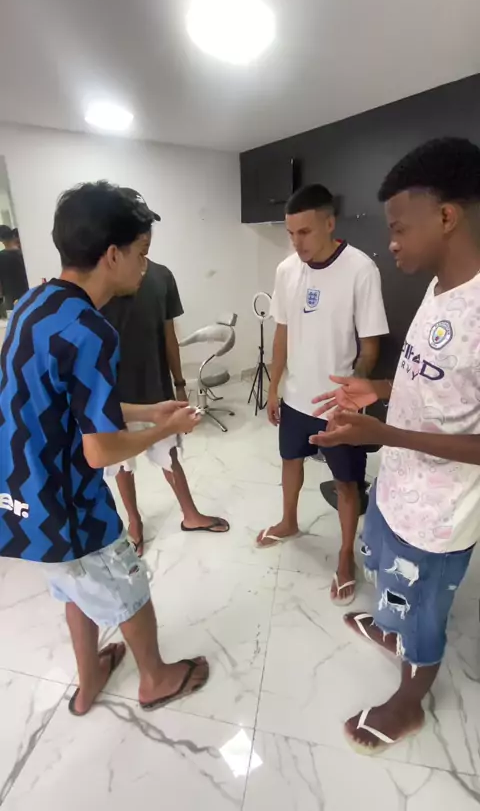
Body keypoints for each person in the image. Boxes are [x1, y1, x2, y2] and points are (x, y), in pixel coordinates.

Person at [0, 181, 209, 716]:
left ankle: (90, 676)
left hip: (23, 499)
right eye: (141, 253)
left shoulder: (32, 304)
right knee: (125, 583)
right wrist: (167, 429)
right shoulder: (91, 330)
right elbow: (100, 451)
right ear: (112, 255)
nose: (145, 265)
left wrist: (148, 411)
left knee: (75, 587)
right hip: (69, 502)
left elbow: (70, 400)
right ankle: (156, 680)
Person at [311, 136, 480, 754]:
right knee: (384, 572)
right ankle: (392, 627)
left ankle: (409, 702)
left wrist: (383, 433)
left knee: (423, 612)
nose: (391, 243)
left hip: (439, 518)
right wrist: (378, 389)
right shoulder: (439, 289)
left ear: (446, 216)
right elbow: (437, 383)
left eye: (399, 228)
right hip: (397, 488)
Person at [257, 184, 388, 606]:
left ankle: (346, 555)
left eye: (305, 232)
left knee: (347, 483)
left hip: (337, 403)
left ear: (330, 223)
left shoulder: (360, 269)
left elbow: (370, 346)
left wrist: (352, 391)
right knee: (290, 461)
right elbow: (282, 333)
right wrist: (274, 387)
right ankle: (288, 521)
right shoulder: (286, 270)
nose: (297, 243)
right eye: (290, 233)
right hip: (296, 396)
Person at [101, 188, 229, 557]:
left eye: (148, 231)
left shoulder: (162, 276)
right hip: (116, 395)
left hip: (156, 388)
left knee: (169, 453)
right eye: (137, 231)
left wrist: (180, 383)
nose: (145, 238)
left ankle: (190, 513)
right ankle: (134, 522)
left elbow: (169, 335)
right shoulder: (102, 282)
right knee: (122, 464)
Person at [0, 225, 29, 310]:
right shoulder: (24, 253)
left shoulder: (1, 257)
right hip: (29, 294)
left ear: (1, 240)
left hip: (11, 298)